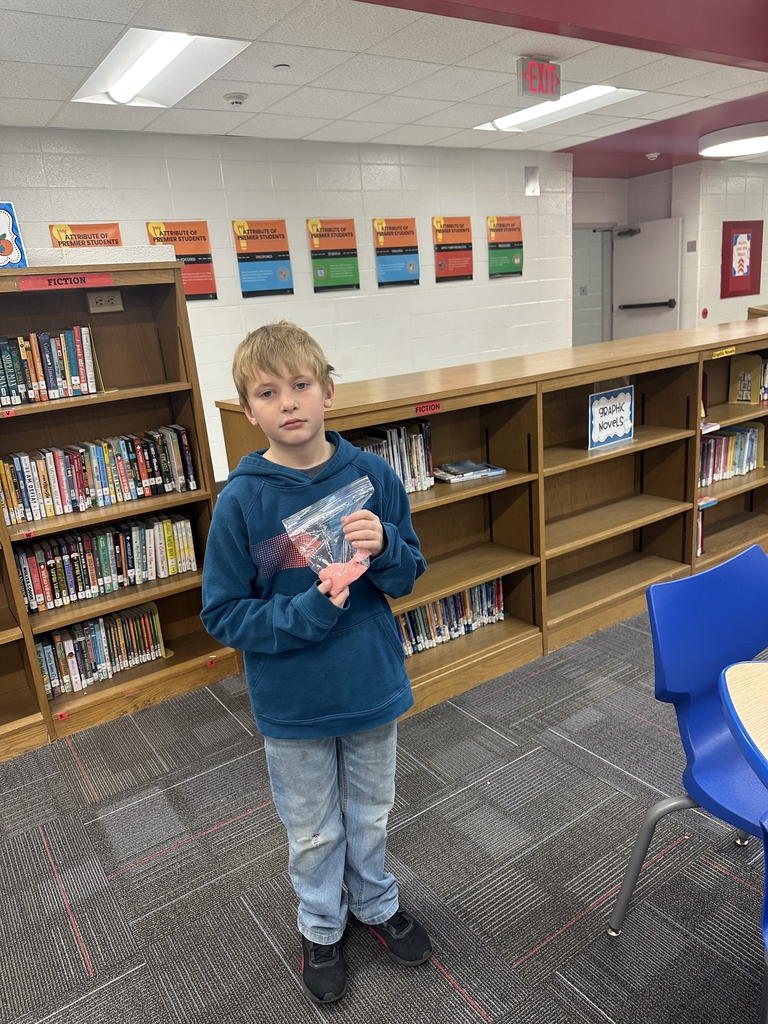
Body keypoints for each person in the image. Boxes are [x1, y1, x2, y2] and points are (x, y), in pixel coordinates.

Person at [201, 321, 432, 1004]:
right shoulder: (243, 499)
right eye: (268, 392)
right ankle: (322, 926)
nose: (289, 402)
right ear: (249, 411)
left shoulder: (372, 475)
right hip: (293, 700)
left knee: (370, 812)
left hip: (369, 682)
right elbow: (223, 613)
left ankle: (374, 904)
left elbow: (408, 575)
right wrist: (306, 613)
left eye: (301, 385)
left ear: (328, 391)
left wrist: (387, 543)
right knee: (311, 829)